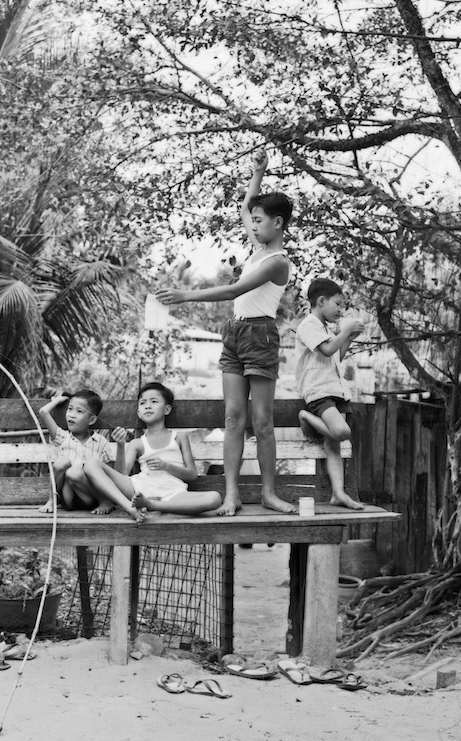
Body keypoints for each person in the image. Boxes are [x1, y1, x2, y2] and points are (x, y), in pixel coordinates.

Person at [156, 148, 293, 516]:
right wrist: (258, 175)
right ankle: (231, 494)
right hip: (234, 334)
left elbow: (235, 291)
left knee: (262, 421)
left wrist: (186, 295)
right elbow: (245, 206)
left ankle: (268, 493)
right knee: (233, 418)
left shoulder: (277, 262)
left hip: (261, 336)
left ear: (277, 224)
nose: (252, 224)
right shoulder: (258, 247)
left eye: (260, 221)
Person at [82, 382, 222, 518]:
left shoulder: (179, 437)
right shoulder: (137, 443)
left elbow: (192, 474)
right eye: (143, 403)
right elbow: (122, 474)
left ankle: (152, 505)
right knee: (90, 464)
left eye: (154, 401)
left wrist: (165, 466)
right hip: (140, 488)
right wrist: (120, 445)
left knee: (214, 498)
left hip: (173, 493)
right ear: (139, 413)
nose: (148, 406)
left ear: (167, 409)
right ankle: (129, 507)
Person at [295, 278, 366, 510]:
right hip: (318, 392)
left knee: (332, 445)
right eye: (337, 304)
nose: (340, 310)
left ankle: (338, 493)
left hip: (334, 391)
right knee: (341, 432)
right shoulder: (308, 324)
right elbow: (326, 350)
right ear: (321, 301)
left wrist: (348, 338)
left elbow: (336, 355)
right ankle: (306, 417)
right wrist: (345, 330)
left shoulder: (324, 328)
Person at [38, 389, 114, 515]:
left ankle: (105, 501)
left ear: (91, 420)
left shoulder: (100, 442)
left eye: (79, 411)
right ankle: (52, 500)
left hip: (90, 497)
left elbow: (109, 473)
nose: (71, 415)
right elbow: (43, 412)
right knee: (62, 462)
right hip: (67, 498)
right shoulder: (62, 437)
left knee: (75, 472)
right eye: (70, 409)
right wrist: (58, 400)